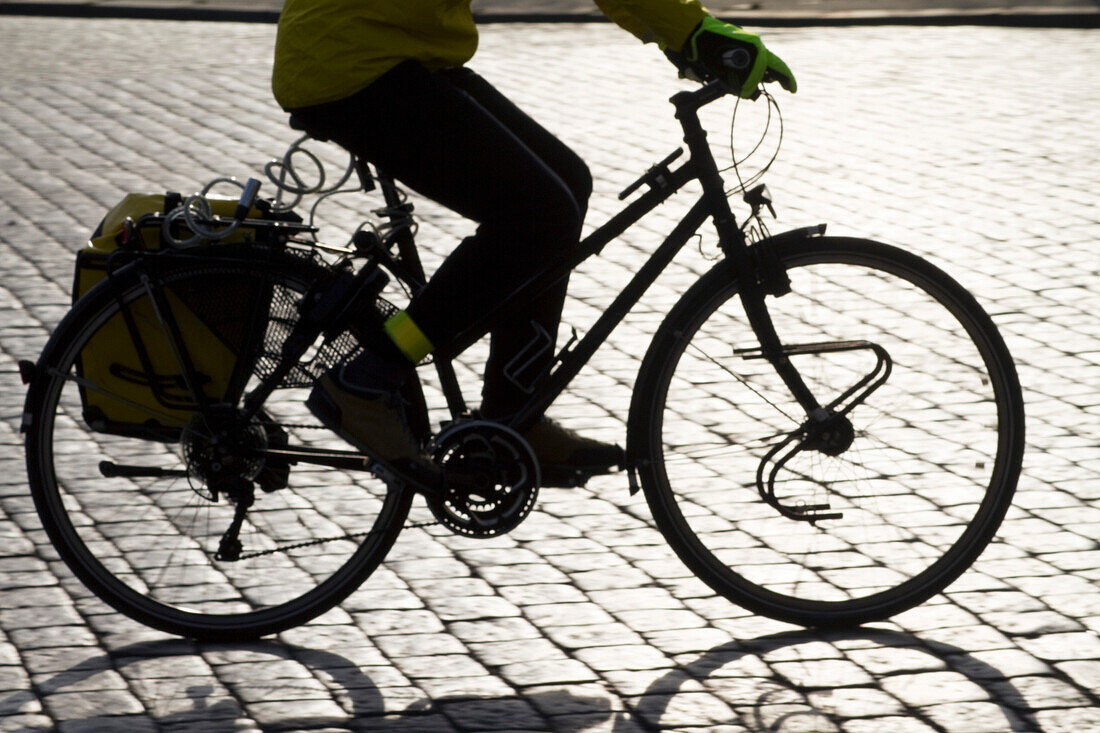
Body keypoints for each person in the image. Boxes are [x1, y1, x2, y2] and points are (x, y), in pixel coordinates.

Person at [271, 1, 795, 486]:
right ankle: (368, 377)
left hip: (389, 49)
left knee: (567, 184)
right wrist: (695, 32)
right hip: (356, 60)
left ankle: (513, 414)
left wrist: (681, 36)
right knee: (535, 211)